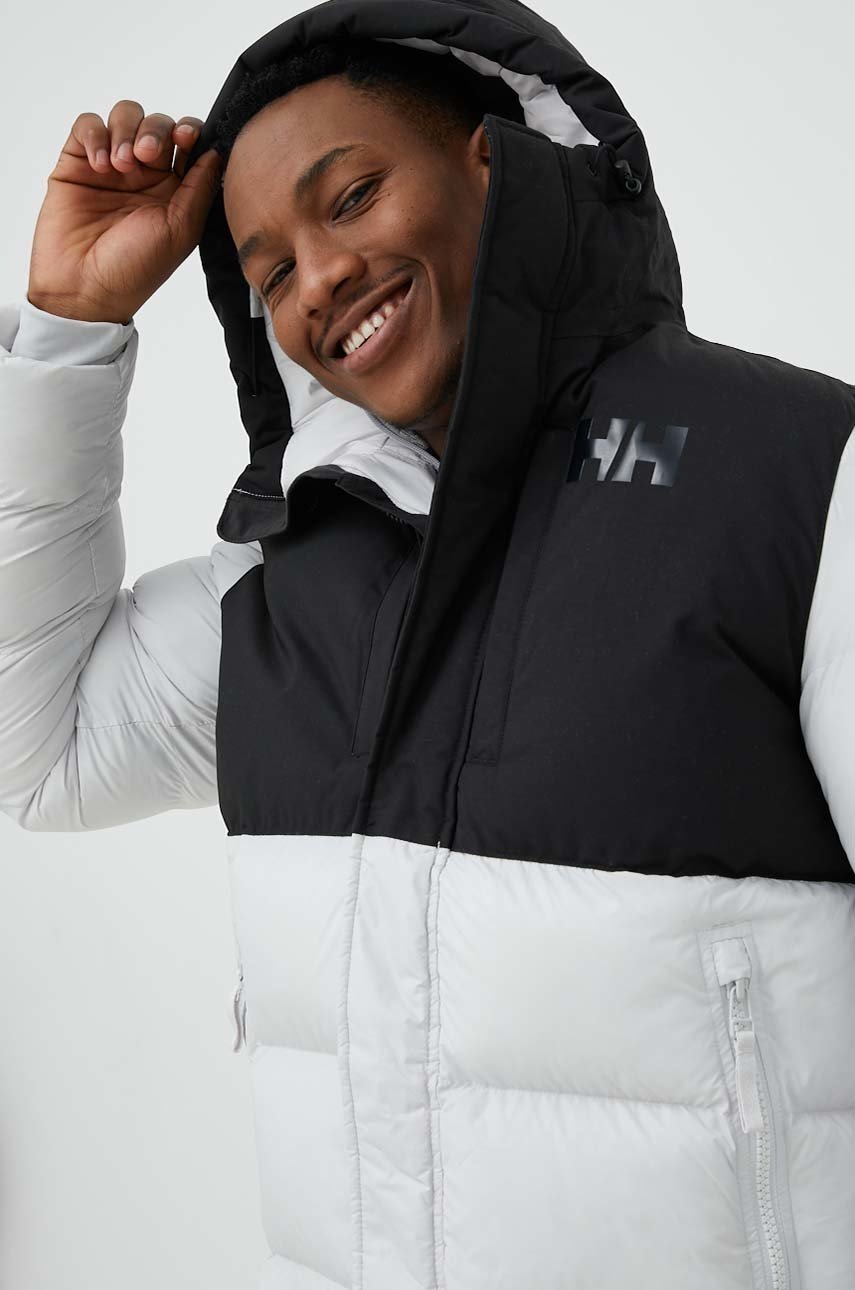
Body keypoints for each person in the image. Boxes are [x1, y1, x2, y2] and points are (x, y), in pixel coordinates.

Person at [1, 2, 853, 1288]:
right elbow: (41, 746)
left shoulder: (798, 477)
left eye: (350, 198)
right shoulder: (281, 578)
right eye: (271, 274)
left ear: (497, 161)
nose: (319, 280)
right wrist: (69, 329)